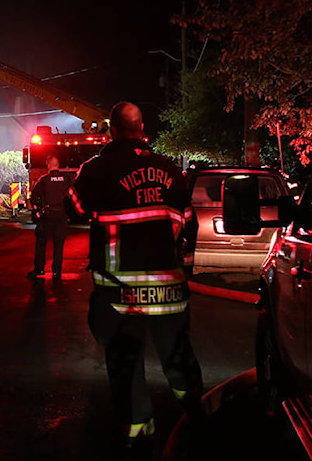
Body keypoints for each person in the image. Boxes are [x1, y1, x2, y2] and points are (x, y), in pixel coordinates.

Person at [65, 101, 203, 458]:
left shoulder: (97, 169)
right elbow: (189, 223)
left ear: (112, 130)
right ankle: (197, 416)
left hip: (120, 292)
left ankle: (138, 430)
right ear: (143, 129)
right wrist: (182, 267)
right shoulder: (171, 170)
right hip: (169, 288)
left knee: (125, 361)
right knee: (178, 353)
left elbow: (73, 208)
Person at [27, 154, 74, 280]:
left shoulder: (44, 180)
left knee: (41, 242)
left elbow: (34, 195)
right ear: (58, 165)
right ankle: (57, 272)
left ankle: (39, 269)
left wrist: (37, 209)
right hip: (61, 214)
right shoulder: (67, 179)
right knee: (59, 244)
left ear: (48, 165)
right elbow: (73, 194)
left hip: (47, 214)